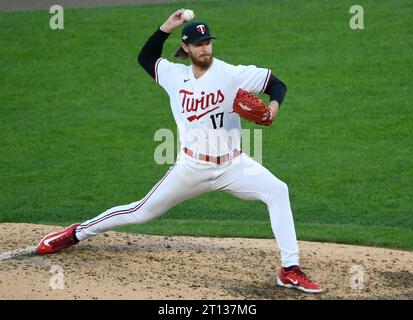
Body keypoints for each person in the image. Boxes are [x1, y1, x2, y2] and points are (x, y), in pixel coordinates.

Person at [37, 9, 322, 293]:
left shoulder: (233, 74)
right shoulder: (174, 75)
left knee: (278, 190)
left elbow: (277, 85)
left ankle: (289, 269)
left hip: (234, 166)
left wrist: (271, 110)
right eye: (198, 44)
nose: (205, 48)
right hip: (192, 167)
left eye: (208, 42)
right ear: (186, 47)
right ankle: (76, 233)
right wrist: (166, 27)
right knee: (140, 211)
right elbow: (145, 58)